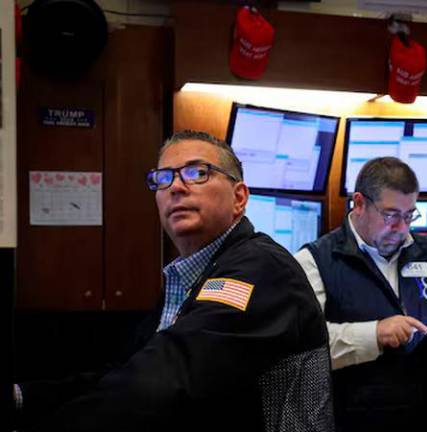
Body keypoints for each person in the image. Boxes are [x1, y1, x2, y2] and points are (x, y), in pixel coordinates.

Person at [14, 130, 333, 431]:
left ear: (239, 198)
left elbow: (162, 382)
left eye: (197, 173)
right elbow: (127, 373)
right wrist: (22, 398)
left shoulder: (262, 268)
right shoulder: (192, 274)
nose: (176, 187)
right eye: (163, 178)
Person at [294, 157, 427, 432]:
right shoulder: (315, 260)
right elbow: (303, 348)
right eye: (390, 215)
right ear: (359, 203)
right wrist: (373, 334)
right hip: (358, 418)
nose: (401, 227)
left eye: (409, 215)